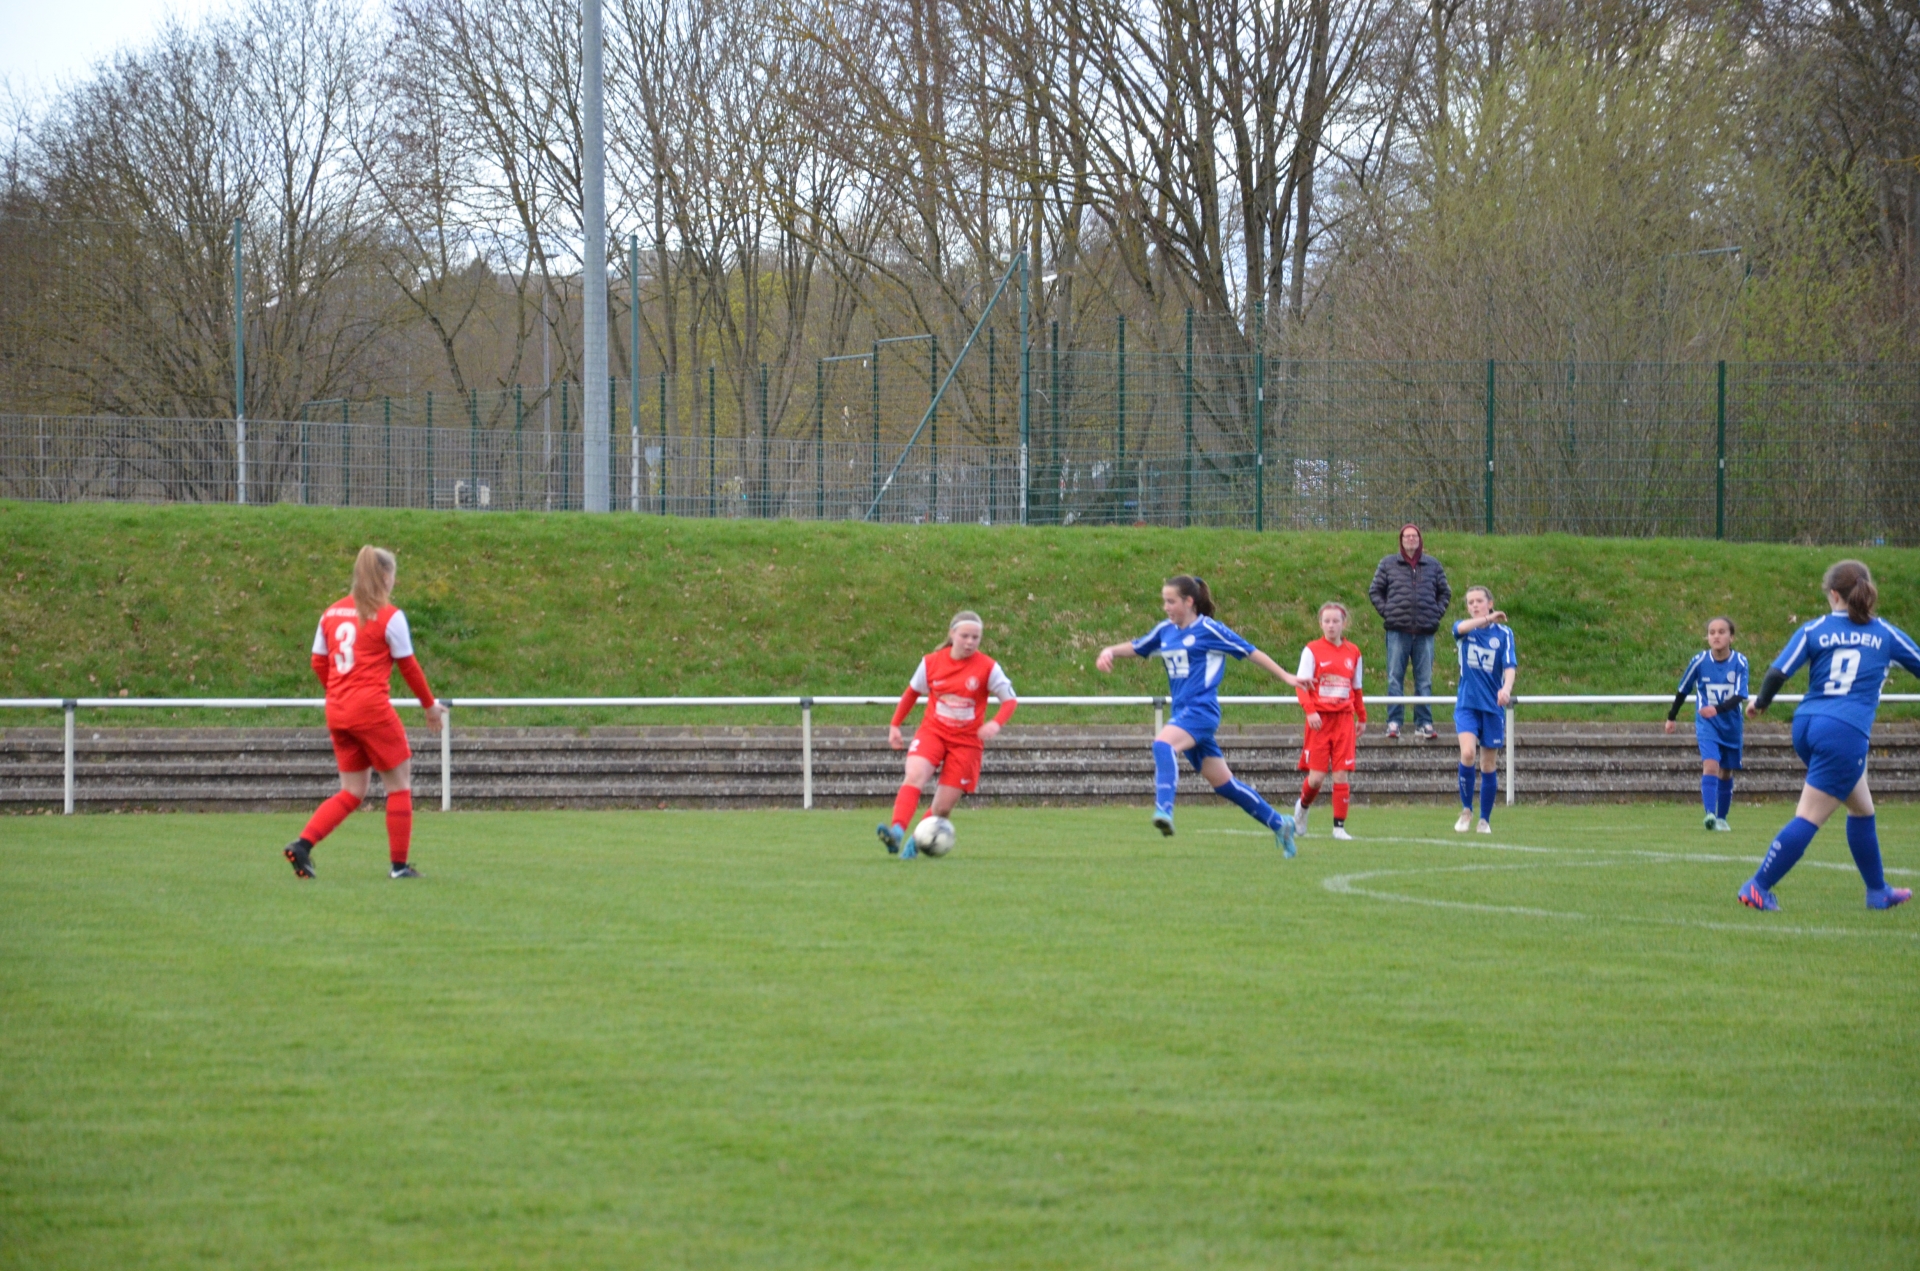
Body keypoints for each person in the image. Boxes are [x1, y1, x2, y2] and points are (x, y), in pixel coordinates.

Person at [1738, 561, 1920, 912]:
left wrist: (1759, 704)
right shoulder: (1884, 633)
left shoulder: (1815, 629)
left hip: (1807, 725)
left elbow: (1778, 672)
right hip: (1845, 732)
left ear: (1833, 594)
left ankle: (1878, 891)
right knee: (1809, 815)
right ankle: (1758, 885)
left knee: (1862, 809)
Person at [1094, 575, 1300, 854]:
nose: (1166, 607)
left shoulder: (1209, 630)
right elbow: (1137, 646)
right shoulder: (1165, 631)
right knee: (1225, 784)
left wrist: (1286, 676)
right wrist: (1110, 651)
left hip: (1201, 711)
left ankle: (1164, 811)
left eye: (1171, 601)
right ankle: (1279, 823)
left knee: (1162, 744)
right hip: (1183, 713)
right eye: (1164, 601)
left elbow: (1250, 652)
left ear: (1189, 601)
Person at [286, 546, 447, 880]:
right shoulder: (389, 615)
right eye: (393, 577)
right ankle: (399, 867)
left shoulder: (330, 613)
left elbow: (319, 661)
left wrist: (339, 692)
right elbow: (410, 668)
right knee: (399, 785)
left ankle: (303, 845)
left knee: (352, 791)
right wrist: (430, 707)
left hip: (338, 711)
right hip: (371, 710)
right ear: (384, 576)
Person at [879, 610, 1018, 859]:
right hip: (934, 732)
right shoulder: (932, 662)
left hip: (966, 743)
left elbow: (1009, 701)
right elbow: (912, 693)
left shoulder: (988, 667)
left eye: (975, 637)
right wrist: (895, 724)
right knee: (914, 775)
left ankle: (915, 841)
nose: (970, 642)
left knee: (942, 808)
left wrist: (996, 723)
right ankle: (897, 831)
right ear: (952, 634)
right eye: (965, 635)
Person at [1368, 524, 1452, 741]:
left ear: (1420, 539)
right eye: (1407, 536)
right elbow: (1375, 590)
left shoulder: (1433, 564)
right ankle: (1394, 722)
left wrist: (1436, 613)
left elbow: (1445, 592)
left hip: (1425, 632)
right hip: (1397, 631)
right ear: (1401, 539)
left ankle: (1424, 723)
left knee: (1424, 680)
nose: (1411, 539)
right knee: (1395, 679)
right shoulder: (1388, 563)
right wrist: (1388, 612)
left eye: (1415, 536)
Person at [1664, 617, 1748, 831]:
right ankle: (1709, 814)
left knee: (1727, 772)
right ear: (1707, 637)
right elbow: (1684, 689)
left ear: (1731, 637)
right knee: (1711, 765)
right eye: (1712, 632)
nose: (1716, 636)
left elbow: (1740, 695)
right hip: (1707, 723)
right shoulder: (1700, 661)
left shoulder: (1740, 662)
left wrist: (1717, 709)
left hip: (1731, 724)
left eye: (1721, 632)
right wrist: (1671, 716)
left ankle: (1722, 818)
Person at [1292, 602, 1367, 841]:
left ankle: (1339, 827)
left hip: (1344, 720)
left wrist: (1361, 715)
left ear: (1344, 623)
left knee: (1341, 775)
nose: (1331, 625)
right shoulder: (1312, 650)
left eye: (1336, 621)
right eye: (1327, 621)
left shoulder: (1353, 652)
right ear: (1320, 624)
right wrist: (1310, 711)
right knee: (1316, 778)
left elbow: (1356, 688)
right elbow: (1301, 686)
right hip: (1320, 721)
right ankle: (1302, 808)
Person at [1450, 586, 1515, 834]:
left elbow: (1509, 666)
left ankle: (1484, 820)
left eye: (1479, 601)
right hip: (1467, 703)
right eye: (1470, 602)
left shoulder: (1505, 634)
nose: (1474, 605)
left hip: (1492, 707)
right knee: (1467, 753)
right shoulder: (1464, 630)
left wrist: (1506, 689)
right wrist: (1487, 618)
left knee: (1488, 764)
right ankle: (1466, 810)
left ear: (1490, 602)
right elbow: (1460, 628)